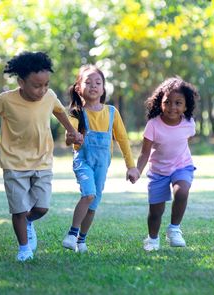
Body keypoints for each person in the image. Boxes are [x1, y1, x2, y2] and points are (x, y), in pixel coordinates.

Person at [0, 51, 82, 262]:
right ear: (21, 81)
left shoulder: (49, 96)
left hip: (43, 160)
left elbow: (58, 111)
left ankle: (28, 222)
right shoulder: (7, 99)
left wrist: (70, 130)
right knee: (18, 209)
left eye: (46, 84)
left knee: (42, 207)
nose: (43, 90)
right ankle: (24, 248)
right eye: (37, 85)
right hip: (14, 163)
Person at [61, 65, 140, 253]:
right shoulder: (77, 113)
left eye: (98, 82)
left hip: (102, 165)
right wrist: (73, 136)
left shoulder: (112, 112)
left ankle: (82, 240)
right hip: (83, 161)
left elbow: (122, 139)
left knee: (93, 204)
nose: (93, 86)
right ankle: (72, 234)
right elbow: (67, 137)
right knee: (88, 194)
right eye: (88, 82)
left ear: (104, 88)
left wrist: (131, 166)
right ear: (79, 88)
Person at [135, 77, 198, 252]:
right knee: (156, 212)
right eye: (167, 102)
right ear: (160, 103)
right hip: (158, 171)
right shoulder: (153, 125)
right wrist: (137, 171)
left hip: (182, 166)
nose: (172, 107)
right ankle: (152, 239)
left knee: (182, 190)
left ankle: (174, 229)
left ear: (186, 106)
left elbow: (186, 140)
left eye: (178, 103)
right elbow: (144, 153)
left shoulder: (188, 123)